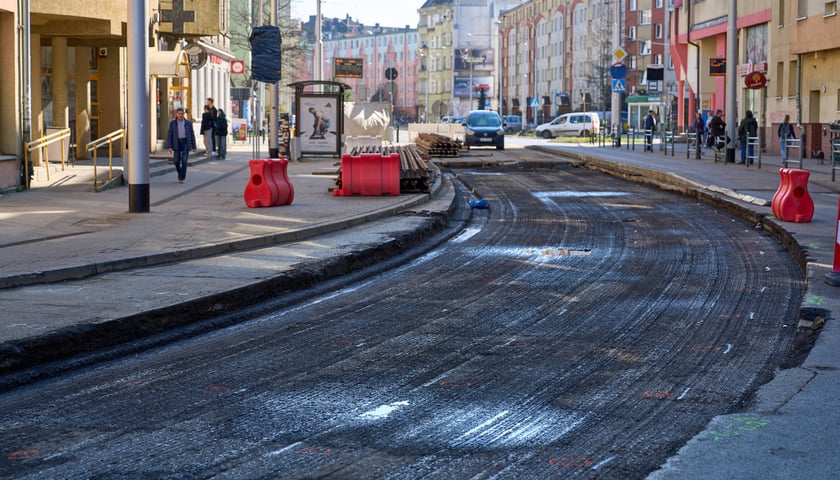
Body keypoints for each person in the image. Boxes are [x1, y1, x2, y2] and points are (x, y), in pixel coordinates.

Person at [166, 107, 197, 183]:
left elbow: (192, 135)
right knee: (176, 161)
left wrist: (194, 146)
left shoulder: (188, 123)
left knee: (184, 161)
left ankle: (182, 176)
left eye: (182, 114)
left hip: (185, 142)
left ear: (184, 114)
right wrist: (169, 146)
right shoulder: (172, 123)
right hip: (177, 143)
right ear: (176, 114)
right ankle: (180, 173)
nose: (181, 115)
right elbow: (169, 135)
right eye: (179, 113)